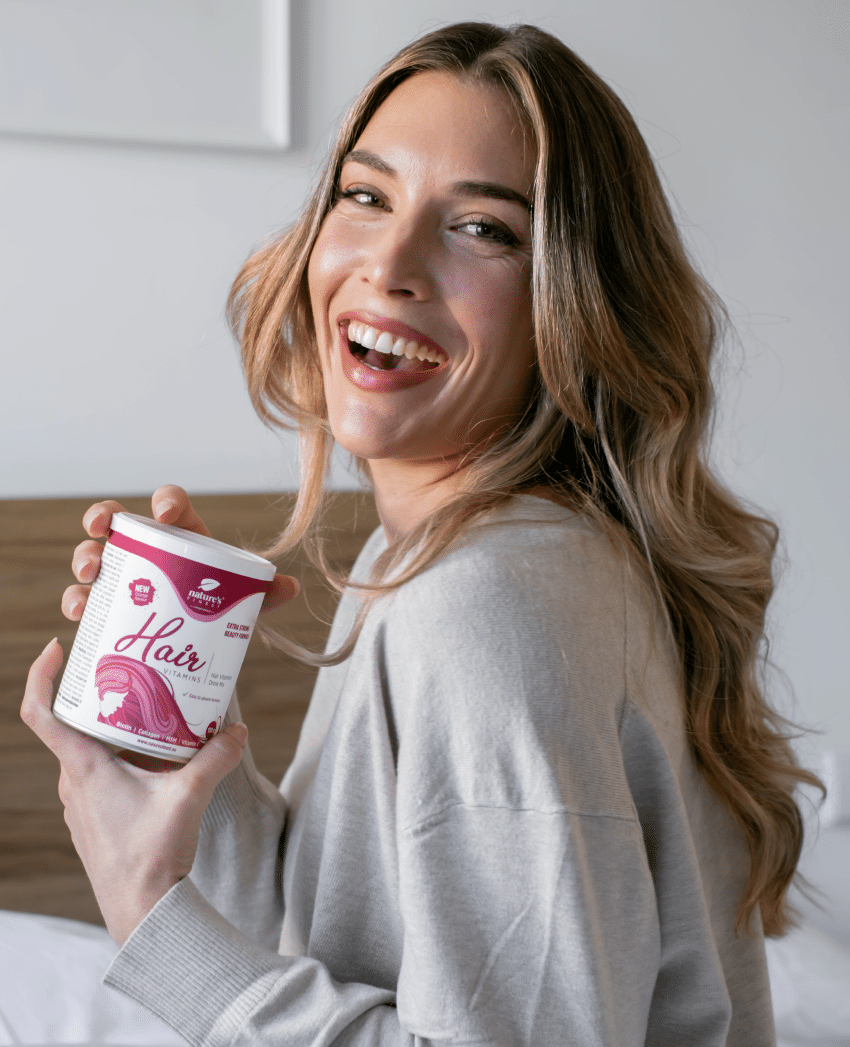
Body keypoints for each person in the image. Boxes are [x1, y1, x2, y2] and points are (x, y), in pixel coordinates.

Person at [22, 21, 820, 1046]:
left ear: (574, 301)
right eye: (366, 196)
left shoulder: (487, 606)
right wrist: (181, 736)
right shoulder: (454, 551)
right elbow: (334, 933)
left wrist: (149, 914)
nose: (390, 264)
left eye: (482, 227)